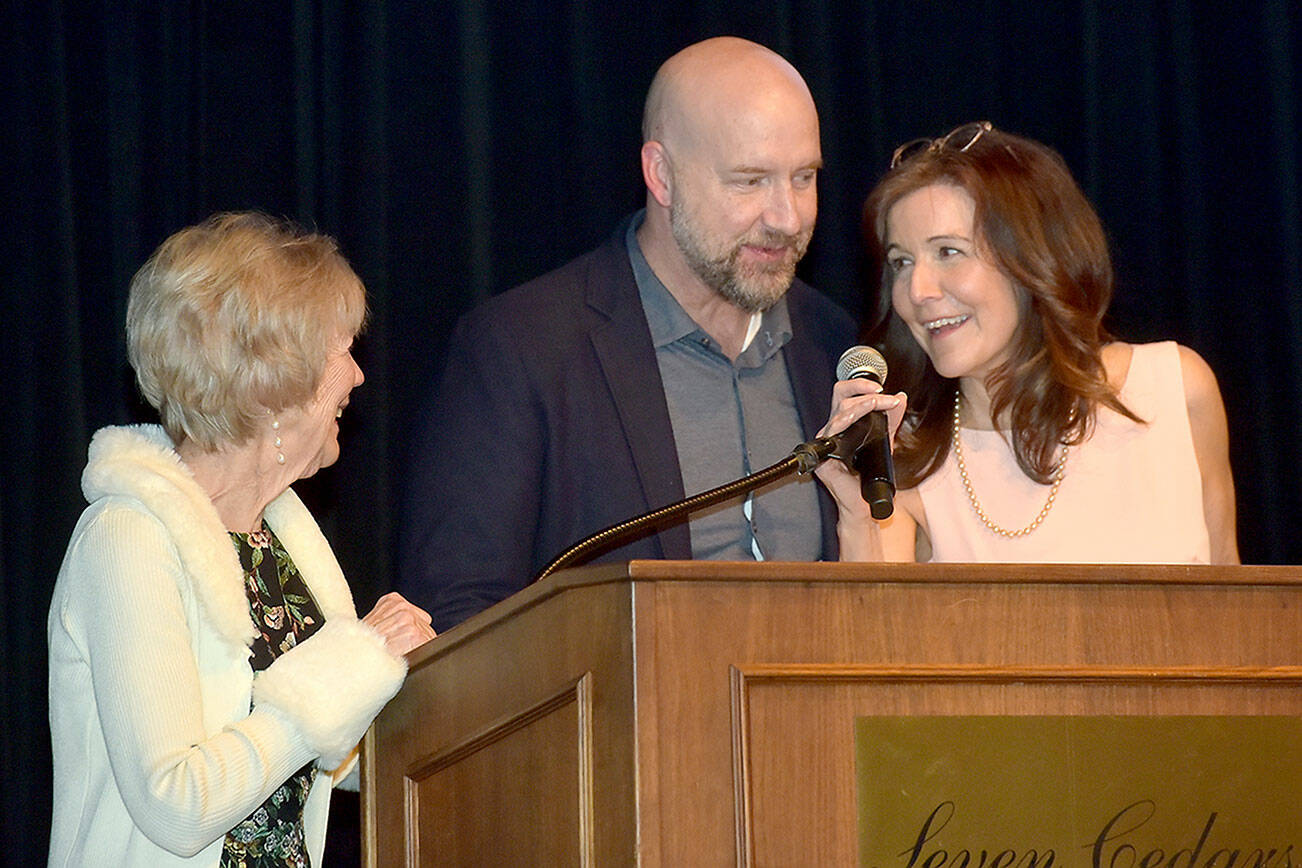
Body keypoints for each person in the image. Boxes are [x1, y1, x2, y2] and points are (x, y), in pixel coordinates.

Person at [399, 36, 856, 631]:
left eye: (804, 177)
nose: (787, 218)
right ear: (661, 175)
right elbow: (459, 616)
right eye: (750, 182)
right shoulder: (522, 347)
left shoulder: (832, 340)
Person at [47, 212, 437, 866]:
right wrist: (345, 672)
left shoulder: (277, 541)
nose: (359, 376)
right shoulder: (126, 540)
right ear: (273, 385)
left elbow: (316, 759)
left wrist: (411, 681)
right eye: (341, 349)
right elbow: (177, 803)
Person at [816, 122, 1238, 564]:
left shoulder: (1174, 389)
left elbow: (1236, 608)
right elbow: (873, 629)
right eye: (901, 262)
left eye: (948, 252)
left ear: (1033, 258)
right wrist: (859, 514)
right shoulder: (905, 454)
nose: (917, 290)